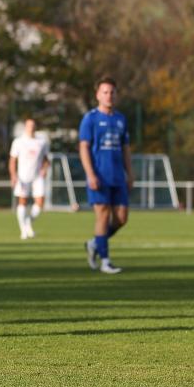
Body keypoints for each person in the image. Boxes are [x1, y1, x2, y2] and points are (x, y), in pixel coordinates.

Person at [79, 77, 133, 274]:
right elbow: (84, 148)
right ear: (98, 95)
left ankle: (95, 243)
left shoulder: (121, 119)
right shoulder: (90, 119)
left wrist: (130, 173)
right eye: (105, 92)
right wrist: (90, 174)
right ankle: (105, 261)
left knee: (121, 218)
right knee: (102, 215)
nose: (109, 96)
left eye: (112, 92)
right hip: (99, 176)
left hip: (118, 177)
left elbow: (125, 148)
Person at [9, 118, 49, 239]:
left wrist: (44, 169)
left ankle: (28, 222)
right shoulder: (18, 142)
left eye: (33, 125)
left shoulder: (41, 142)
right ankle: (23, 230)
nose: (31, 128)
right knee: (22, 202)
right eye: (29, 125)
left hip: (37, 177)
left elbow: (46, 159)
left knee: (40, 202)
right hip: (23, 177)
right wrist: (13, 175)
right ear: (25, 127)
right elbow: (12, 160)